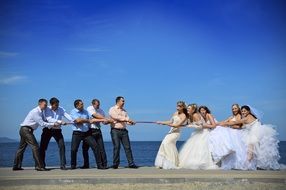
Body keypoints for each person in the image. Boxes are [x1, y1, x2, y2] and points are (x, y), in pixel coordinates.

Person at [219, 105, 280, 170]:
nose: (243, 112)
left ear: (248, 111)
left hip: (255, 134)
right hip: (259, 132)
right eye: (242, 111)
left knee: (250, 150)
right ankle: (259, 165)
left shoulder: (246, 118)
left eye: (244, 111)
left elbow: (235, 122)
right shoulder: (252, 116)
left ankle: (246, 166)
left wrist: (224, 124)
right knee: (257, 150)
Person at [13, 99, 59, 171]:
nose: (46, 106)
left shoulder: (41, 112)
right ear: (40, 104)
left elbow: (45, 119)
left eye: (46, 105)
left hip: (25, 130)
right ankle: (39, 166)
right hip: (26, 130)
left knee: (21, 149)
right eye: (45, 105)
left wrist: (56, 121)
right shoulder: (35, 112)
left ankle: (16, 166)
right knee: (36, 147)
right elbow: (42, 124)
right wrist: (53, 124)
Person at [179, 104, 218, 169]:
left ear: (206, 110)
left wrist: (201, 125)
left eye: (203, 110)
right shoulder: (197, 116)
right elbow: (197, 124)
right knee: (194, 146)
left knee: (202, 146)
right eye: (201, 110)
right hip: (200, 131)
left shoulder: (207, 115)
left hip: (207, 131)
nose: (202, 111)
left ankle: (203, 162)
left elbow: (212, 126)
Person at [39, 97, 73, 170]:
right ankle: (41, 165)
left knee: (62, 146)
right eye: (56, 105)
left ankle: (63, 165)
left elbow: (67, 116)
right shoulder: (47, 109)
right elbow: (49, 119)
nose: (57, 106)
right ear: (52, 105)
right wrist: (61, 121)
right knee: (43, 147)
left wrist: (74, 120)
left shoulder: (61, 109)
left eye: (58, 104)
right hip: (48, 129)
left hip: (57, 130)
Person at [70, 99, 102, 169]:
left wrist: (104, 119)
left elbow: (92, 119)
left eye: (83, 104)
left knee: (95, 147)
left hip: (87, 133)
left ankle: (99, 165)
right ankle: (73, 165)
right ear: (77, 105)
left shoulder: (86, 112)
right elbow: (78, 120)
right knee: (74, 149)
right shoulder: (73, 111)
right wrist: (87, 120)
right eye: (81, 104)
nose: (83, 105)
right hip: (77, 133)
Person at [155, 101, 188, 169]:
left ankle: (172, 163)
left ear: (183, 107)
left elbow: (177, 125)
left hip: (176, 133)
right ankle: (164, 163)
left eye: (179, 106)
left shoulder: (184, 115)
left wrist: (165, 124)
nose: (177, 107)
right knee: (164, 144)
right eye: (177, 106)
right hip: (170, 132)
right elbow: (170, 121)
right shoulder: (175, 113)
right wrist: (161, 122)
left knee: (167, 143)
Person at [216, 104, 248, 170]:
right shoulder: (232, 117)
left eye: (235, 108)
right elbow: (224, 122)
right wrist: (217, 124)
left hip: (237, 133)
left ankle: (238, 164)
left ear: (238, 109)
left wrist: (229, 125)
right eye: (233, 109)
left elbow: (239, 126)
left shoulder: (240, 116)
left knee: (238, 149)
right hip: (231, 133)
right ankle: (230, 164)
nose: (234, 110)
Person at [109, 96, 138, 169]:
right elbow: (116, 117)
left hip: (124, 131)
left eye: (124, 101)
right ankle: (115, 164)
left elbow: (127, 121)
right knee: (117, 147)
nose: (124, 102)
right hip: (115, 130)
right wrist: (126, 119)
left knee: (128, 147)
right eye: (123, 101)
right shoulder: (112, 109)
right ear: (118, 101)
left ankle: (131, 164)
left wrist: (131, 122)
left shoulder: (124, 111)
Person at [82, 99, 111, 169]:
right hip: (89, 131)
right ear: (93, 104)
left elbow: (104, 122)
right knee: (85, 149)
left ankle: (104, 164)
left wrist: (109, 121)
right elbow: (95, 115)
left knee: (101, 148)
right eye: (97, 105)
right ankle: (86, 164)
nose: (98, 106)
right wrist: (105, 118)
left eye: (99, 105)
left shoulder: (101, 110)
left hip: (97, 130)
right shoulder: (89, 108)